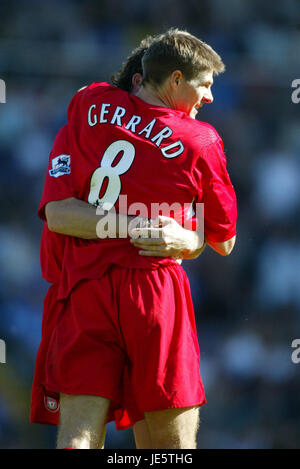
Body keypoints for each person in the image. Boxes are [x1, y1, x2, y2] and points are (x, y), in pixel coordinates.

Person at [42, 28, 237, 449]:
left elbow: (58, 214)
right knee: (171, 446)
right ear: (175, 81)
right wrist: (184, 237)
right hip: (153, 287)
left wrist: (124, 225)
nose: (210, 98)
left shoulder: (86, 105)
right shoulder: (199, 140)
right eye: (205, 85)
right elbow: (224, 241)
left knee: (77, 435)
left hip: (83, 284)